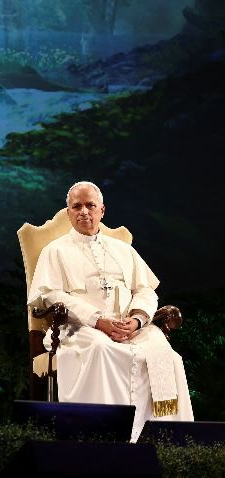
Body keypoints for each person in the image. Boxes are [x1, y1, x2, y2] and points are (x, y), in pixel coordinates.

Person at [27, 181, 193, 442]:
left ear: (102, 210)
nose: (84, 212)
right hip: (80, 328)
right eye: (77, 206)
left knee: (167, 356)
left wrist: (137, 320)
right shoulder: (55, 251)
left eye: (90, 205)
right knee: (102, 351)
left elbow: (146, 290)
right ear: (68, 212)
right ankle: (105, 437)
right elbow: (50, 295)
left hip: (130, 326)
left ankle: (168, 439)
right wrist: (97, 320)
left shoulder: (124, 250)